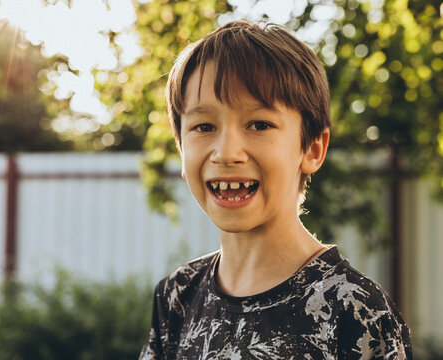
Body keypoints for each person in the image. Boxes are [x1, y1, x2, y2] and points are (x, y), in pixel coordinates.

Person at [139, 20, 412, 359]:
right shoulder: (177, 296)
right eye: (204, 126)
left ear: (312, 148)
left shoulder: (355, 310)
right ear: (182, 150)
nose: (226, 152)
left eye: (259, 124)